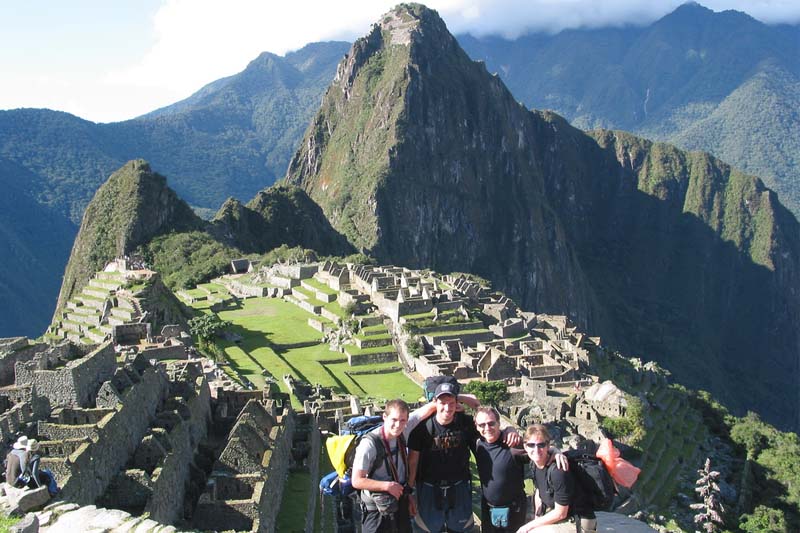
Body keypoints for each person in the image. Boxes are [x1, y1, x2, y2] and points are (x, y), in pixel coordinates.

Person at [407, 383, 520, 533]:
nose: (447, 408)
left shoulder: (465, 423)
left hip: (459, 487)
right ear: (435, 403)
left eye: (451, 403)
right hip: (429, 488)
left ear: (456, 403)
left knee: (461, 530)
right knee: (428, 529)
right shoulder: (422, 429)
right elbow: (413, 461)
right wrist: (409, 490)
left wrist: (510, 429)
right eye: (443, 403)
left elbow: (488, 426)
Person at [351, 398, 442, 533]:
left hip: (399, 503)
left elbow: (426, 410)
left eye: (403, 421)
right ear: (385, 417)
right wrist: (387, 486)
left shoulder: (403, 432)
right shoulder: (369, 445)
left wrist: (458, 401)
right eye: (394, 420)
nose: (398, 425)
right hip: (376, 511)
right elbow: (357, 481)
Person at [516, 425, 597, 533]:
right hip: (563, 516)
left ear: (547, 446)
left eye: (541, 445)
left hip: (578, 521)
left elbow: (561, 513)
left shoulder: (558, 471)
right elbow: (539, 491)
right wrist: (537, 517)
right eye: (531, 445)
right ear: (525, 446)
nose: (536, 449)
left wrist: (528, 526)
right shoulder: (534, 464)